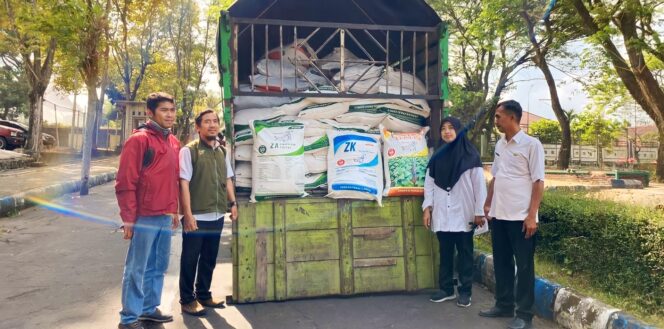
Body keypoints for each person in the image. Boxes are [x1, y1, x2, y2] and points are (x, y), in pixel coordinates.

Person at [115, 92, 181, 329]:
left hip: (165, 215)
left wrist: (174, 210)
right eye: (164, 110)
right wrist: (129, 218)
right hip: (144, 217)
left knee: (158, 266)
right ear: (150, 113)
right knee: (136, 268)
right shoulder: (139, 140)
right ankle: (129, 318)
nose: (170, 115)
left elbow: (173, 179)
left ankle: (149, 309)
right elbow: (125, 182)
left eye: (172, 110)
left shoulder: (173, 142)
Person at [479, 100, 544, 329]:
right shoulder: (500, 144)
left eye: (498, 116)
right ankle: (504, 304)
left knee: (524, 266)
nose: (495, 121)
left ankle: (525, 315)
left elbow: (538, 182)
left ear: (512, 118)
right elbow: (496, 177)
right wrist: (488, 204)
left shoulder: (531, 145)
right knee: (502, 262)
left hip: (521, 217)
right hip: (500, 214)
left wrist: (531, 216)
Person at [178, 109, 239, 316]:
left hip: (217, 215)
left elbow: (228, 179)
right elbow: (183, 183)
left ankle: (203, 294)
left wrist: (233, 203)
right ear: (198, 127)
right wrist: (187, 214)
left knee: (209, 258)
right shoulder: (189, 151)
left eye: (215, 121)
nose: (212, 125)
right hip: (197, 215)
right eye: (207, 122)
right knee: (190, 259)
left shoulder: (222, 151)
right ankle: (187, 299)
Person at [423, 117, 487, 308]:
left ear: (459, 131)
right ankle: (446, 289)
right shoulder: (436, 157)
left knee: (465, 254)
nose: (447, 132)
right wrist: (427, 208)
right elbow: (429, 185)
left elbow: (479, 187)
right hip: (442, 212)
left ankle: (465, 291)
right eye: (444, 128)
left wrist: (479, 212)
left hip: (464, 212)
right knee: (445, 253)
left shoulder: (471, 156)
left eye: (451, 128)